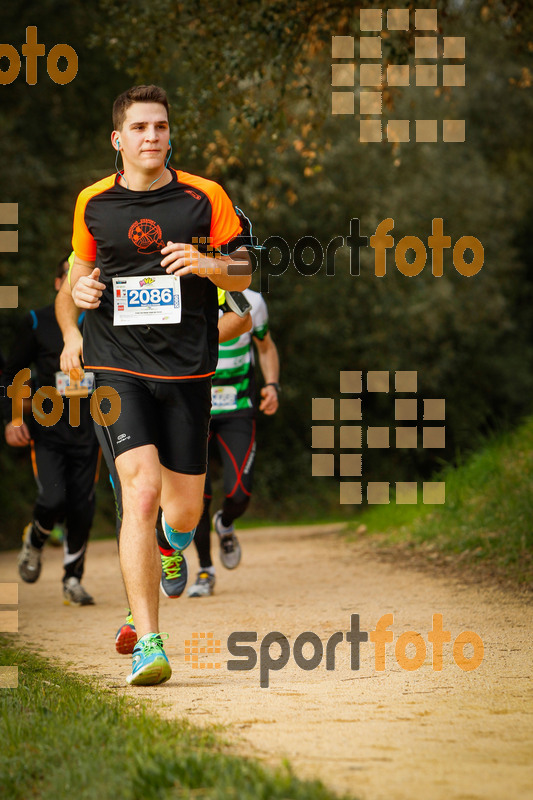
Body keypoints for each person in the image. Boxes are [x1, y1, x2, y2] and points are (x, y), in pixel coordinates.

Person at [67, 84, 250, 686]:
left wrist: (205, 265)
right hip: (115, 364)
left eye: (162, 127)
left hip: (189, 369)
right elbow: (79, 270)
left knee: (185, 508)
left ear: (171, 135)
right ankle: (149, 641)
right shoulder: (93, 201)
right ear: (118, 139)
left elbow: (245, 267)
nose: (153, 137)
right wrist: (82, 294)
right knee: (139, 493)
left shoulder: (205, 197)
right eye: (141, 128)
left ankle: (173, 545)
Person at [1, 257, 100, 605]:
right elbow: (11, 372)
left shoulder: (102, 320)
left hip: (90, 430)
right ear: (59, 284)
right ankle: (36, 540)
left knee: (82, 507)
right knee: (53, 499)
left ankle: (73, 580)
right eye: (70, 277)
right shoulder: (36, 321)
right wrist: (13, 418)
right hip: (48, 428)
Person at [188, 277, 280, 597]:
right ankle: (204, 570)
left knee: (239, 493)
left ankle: (225, 524)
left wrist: (272, 385)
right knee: (196, 497)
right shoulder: (184, 298)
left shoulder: (252, 302)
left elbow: (266, 348)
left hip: (238, 408)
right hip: (193, 410)